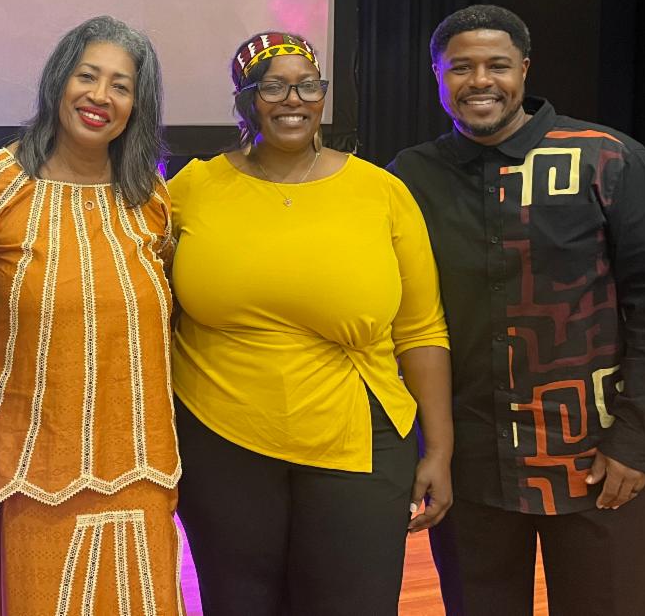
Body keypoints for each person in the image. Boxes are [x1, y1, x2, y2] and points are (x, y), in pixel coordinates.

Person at [390, 5, 645, 616]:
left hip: (597, 459)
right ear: (437, 76)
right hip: (471, 466)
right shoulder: (409, 179)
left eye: (497, 65)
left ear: (524, 69)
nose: (480, 81)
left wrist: (637, 440)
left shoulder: (608, 160)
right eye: (460, 67)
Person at [169, 31, 454, 615]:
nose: (293, 99)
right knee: (238, 602)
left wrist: (440, 450)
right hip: (220, 436)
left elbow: (422, 329)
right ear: (246, 100)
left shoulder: (381, 192)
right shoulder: (192, 190)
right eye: (272, 86)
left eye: (307, 85)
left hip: (357, 434)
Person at [0, 15, 182, 616]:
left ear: (138, 104)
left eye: (121, 86)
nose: (100, 96)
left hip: (141, 462)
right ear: (59, 79)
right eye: (87, 76)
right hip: (32, 464)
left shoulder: (149, 198)